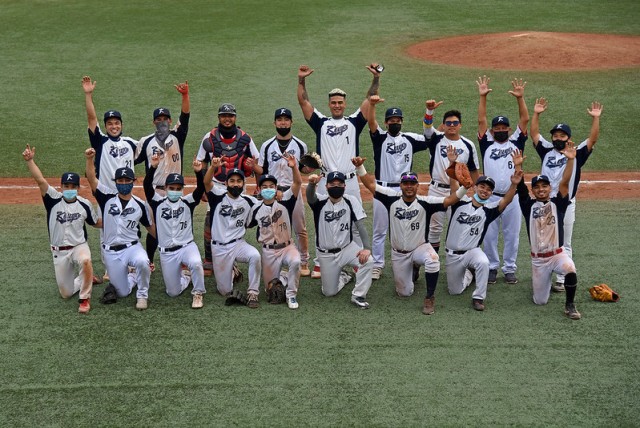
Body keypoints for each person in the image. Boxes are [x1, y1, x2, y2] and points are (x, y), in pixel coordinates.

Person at [353, 150, 468, 315]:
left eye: (412, 183)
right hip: (399, 253)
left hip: (420, 247)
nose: (409, 186)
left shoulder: (426, 202)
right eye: (405, 183)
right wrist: (360, 167)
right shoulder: (391, 197)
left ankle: (429, 297)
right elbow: (370, 185)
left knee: (433, 259)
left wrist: (465, 188)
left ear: (417, 186)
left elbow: (450, 200)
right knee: (404, 293)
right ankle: (412, 268)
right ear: (401, 185)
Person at [297, 63, 380, 278]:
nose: (336, 106)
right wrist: (301, 79)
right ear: (329, 104)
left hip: (350, 182)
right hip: (326, 181)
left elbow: (370, 100)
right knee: (323, 221)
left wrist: (375, 78)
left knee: (355, 221)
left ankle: (359, 260)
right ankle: (319, 262)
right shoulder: (320, 123)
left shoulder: (354, 122)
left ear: (345, 104)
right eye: (333, 102)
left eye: (340, 103)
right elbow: (303, 101)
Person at [531, 98, 603, 292]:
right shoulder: (546, 150)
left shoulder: (576, 152)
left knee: (565, 242)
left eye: (562, 135)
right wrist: (536, 114)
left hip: (566, 203)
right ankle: (545, 275)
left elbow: (592, 139)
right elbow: (535, 134)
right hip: (544, 205)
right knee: (543, 241)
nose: (557, 138)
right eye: (555, 135)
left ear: (568, 138)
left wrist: (595, 119)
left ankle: (563, 278)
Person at [23, 145, 100, 314]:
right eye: (66, 185)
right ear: (61, 186)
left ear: (78, 188)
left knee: (86, 260)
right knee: (65, 293)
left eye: (73, 186)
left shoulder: (84, 204)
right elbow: (41, 180)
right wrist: (30, 161)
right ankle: (86, 277)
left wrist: (114, 222)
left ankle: (85, 299)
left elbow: (95, 223)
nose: (69, 189)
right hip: (59, 252)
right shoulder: (52, 199)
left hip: (79, 246)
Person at [443, 149, 523, 311]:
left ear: (491, 193)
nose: (485, 190)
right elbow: (453, 184)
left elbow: (506, 201)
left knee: (483, 261)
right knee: (454, 291)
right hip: (452, 254)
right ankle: (469, 274)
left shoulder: (489, 209)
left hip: (472, 251)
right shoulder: (460, 201)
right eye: (482, 186)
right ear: (475, 187)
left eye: (488, 189)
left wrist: (514, 183)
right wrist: (452, 163)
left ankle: (479, 297)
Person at [515, 141, 582, 319]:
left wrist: (570, 161)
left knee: (569, 267)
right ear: (533, 190)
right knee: (540, 301)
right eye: (537, 187)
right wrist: (518, 165)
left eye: (544, 186)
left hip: (556, 255)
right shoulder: (528, 205)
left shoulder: (558, 204)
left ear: (549, 188)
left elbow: (565, 183)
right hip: (538, 260)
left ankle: (570, 305)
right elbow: (520, 186)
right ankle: (542, 283)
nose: (541, 189)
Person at [82, 75, 138, 283]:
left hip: (127, 193)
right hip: (106, 194)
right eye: (110, 123)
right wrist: (89, 95)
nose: (113, 126)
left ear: (121, 124)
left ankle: (130, 264)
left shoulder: (131, 143)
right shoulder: (100, 142)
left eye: (116, 123)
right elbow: (91, 119)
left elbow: (147, 155)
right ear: (105, 126)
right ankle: (109, 268)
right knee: (106, 230)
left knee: (130, 226)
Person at [366, 94, 428, 280]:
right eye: (391, 120)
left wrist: (429, 113)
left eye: (398, 120)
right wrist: (372, 105)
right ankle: (377, 265)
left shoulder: (410, 139)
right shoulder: (379, 139)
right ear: (386, 123)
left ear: (401, 122)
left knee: (406, 228)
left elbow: (431, 137)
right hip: (382, 189)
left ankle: (411, 262)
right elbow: (371, 122)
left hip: (404, 191)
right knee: (380, 230)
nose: (395, 123)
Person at [85, 148, 154, 310]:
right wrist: (89, 160)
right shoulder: (106, 197)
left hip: (132, 247)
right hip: (111, 252)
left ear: (133, 181)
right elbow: (91, 179)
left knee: (143, 261)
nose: (124, 184)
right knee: (121, 292)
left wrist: (166, 246)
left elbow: (150, 227)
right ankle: (133, 277)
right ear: (115, 182)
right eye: (120, 181)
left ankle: (142, 295)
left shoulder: (140, 204)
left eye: (127, 181)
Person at [476, 75, 529, 285]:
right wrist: (483, 97)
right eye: (496, 128)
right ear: (492, 131)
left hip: (512, 196)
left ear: (508, 129)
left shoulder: (516, 141)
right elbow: (481, 120)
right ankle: (491, 267)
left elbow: (524, 120)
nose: (499, 130)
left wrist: (520, 98)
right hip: (489, 197)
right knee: (488, 234)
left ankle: (509, 268)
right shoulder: (486, 143)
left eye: (503, 128)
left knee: (511, 235)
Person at [196, 103, 259, 277]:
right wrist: (203, 187)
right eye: (224, 115)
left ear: (235, 117)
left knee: (236, 219)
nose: (227, 118)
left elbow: (256, 162)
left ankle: (234, 254)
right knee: (211, 220)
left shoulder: (245, 139)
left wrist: (250, 169)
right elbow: (201, 162)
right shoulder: (209, 138)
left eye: (230, 115)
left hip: (237, 185)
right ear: (219, 117)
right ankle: (209, 260)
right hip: (215, 184)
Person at [136, 81, 191, 270]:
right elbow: (132, 160)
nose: (162, 121)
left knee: (177, 225)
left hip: (174, 190)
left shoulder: (178, 136)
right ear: (154, 122)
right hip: (154, 192)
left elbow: (185, 116)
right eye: (159, 119)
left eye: (165, 119)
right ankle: (150, 261)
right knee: (154, 229)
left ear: (169, 121)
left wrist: (185, 96)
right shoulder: (145, 141)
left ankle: (180, 259)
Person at [253, 108, 312, 277]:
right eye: (280, 120)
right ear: (274, 123)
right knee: (275, 227)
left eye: (286, 119)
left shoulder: (300, 145)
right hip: (273, 194)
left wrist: (311, 167)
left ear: (291, 122)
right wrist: (252, 166)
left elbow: (302, 170)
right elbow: (263, 169)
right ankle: (279, 258)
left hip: (293, 191)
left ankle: (304, 260)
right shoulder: (267, 145)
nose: (283, 122)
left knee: (300, 227)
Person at [143, 153, 206, 309]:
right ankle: (185, 277)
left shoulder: (188, 202)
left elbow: (200, 190)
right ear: (165, 188)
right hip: (167, 252)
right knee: (173, 292)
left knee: (197, 263)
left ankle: (198, 293)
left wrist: (199, 173)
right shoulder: (157, 202)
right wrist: (153, 167)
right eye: (172, 188)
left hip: (187, 246)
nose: (175, 191)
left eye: (178, 188)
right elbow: (146, 186)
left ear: (182, 189)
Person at [306, 171, 374, 309]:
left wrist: (367, 248)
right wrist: (312, 184)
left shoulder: (350, 200)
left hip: (347, 248)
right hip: (325, 254)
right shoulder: (319, 202)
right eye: (332, 184)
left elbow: (360, 226)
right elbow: (310, 196)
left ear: (344, 186)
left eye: (339, 184)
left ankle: (358, 295)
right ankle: (344, 277)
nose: (336, 186)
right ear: (326, 186)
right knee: (329, 292)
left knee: (369, 261)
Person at [422, 100, 481, 254]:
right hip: (436, 190)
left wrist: (478, 193)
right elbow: (427, 129)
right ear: (444, 125)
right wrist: (429, 111)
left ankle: (459, 261)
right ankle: (432, 262)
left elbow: (474, 171)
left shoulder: (468, 145)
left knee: (460, 226)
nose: (452, 125)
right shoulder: (436, 139)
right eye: (448, 123)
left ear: (460, 125)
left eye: (455, 123)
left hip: (459, 192)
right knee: (434, 228)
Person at [248, 153, 302, 309]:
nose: (268, 189)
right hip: (268, 252)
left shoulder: (286, 200)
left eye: (271, 186)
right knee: (270, 289)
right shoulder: (255, 208)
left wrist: (294, 168)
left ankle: (291, 295)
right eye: (264, 186)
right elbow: (244, 225)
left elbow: (298, 183)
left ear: (276, 187)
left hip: (287, 247)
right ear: (259, 189)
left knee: (296, 261)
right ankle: (284, 276)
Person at [203, 163, 261, 308]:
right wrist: (213, 168)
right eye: (232, 181)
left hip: (238, 244)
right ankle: (233, 271)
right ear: (226, 183)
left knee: (255, 256)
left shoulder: (249, 201)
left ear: (243, 183)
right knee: (225, 291)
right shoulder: (217, 197)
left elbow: (266, 203)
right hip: (219, 248)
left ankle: (253, 292)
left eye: (239, 181)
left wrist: (276, 194)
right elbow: (206, 182)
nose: (236, 184)